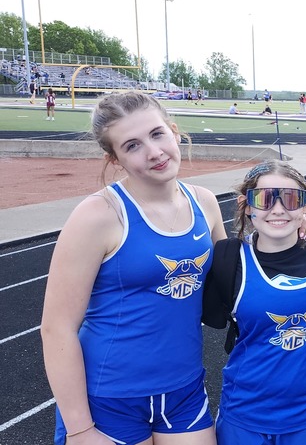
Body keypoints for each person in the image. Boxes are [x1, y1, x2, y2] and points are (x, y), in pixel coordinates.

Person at [40, 91, 226, 445]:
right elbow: (56, 327)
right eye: (132, 145)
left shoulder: (205, 202)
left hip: (184, 389)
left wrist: (299, 229)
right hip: (110, 397)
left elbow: (236, 274)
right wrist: (80, 428)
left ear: (174, 131)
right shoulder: (99, 215)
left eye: (157, 134)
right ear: (116, 159)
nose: (153, 152)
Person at [202, 160, 306, 444]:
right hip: (245, 415)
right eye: (265, 198)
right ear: (247, 205)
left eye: (292, 199)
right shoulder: (227, 259)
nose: (278, 209)